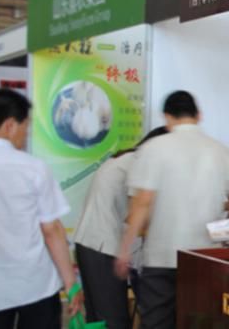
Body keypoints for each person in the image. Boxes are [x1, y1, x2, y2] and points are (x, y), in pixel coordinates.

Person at [115, 91, 229, 329]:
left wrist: (125, 249)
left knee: (157, 324)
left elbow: (142, 202)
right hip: (204, 258)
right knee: (199, 323)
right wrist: (218, 236)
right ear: (199, 115)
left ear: (167, 117)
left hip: (161, 256)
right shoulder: (221, 151)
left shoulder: (154, 148)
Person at [0, 88, 83, 328]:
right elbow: (51, 230)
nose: (26, 135)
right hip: (34, 286)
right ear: (10, 125)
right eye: (26, 127)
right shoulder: (32, 168)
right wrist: (71, 283)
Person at [73, 126, 168, 329]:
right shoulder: (138, 163)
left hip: (89, 243)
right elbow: (136, 215)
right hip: (102, 247)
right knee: (114, 320)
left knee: (97, 319)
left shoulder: (126, 158)